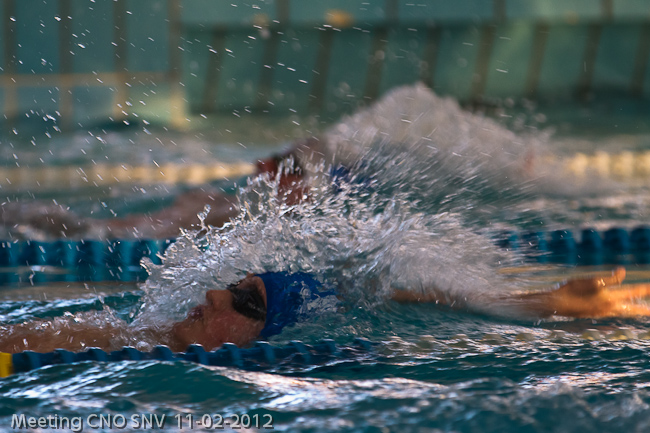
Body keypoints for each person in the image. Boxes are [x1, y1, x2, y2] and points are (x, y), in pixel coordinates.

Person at [2, 267, 650, 354]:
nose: (212, 295)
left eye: (244, 301)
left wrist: (542, 307)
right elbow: (383, 292)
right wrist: (539, 301)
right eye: (230, 286)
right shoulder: (136, 337)